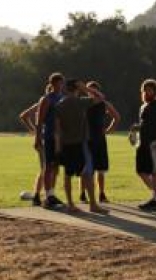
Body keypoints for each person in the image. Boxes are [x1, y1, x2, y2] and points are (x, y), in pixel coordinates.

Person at [53, 79, 107, 213]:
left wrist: (58, 147)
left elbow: (57, 129)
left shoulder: (59, 105)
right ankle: (93, 204)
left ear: (66, 89)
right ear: (77, 89)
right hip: (81, 143)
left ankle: (70, 203)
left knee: (68, 174)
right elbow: (101, 97)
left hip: (66, 144)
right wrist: (87, 89)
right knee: (87, 173)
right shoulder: (80, 102)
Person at [79, 80, 120, 203]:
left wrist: (108, 130)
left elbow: (116, 117)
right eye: (90, 91)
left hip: (99, 139)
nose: (92, 94)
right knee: (86, 168)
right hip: (86, 138)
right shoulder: (84, 103)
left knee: (100, 169)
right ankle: (83, 193)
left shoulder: (104, 104)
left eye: (94, 91)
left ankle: (101, 193)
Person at [134, 79, 156, 211]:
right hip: (142, 144)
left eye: (149, 90)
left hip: (154, 144)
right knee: (141, 171)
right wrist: (136, 128)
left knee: (155, 171)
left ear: (154, 92)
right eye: (144, 90)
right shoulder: (143, 107)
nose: (146, 93)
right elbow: (145, 125)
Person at [34, 72, 66, 209]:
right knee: (48, 167)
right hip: (49, 136)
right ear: (53, 84)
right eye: (59, 83)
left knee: (56, 167)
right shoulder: (46, 99)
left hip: (60, 138)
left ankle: (52, 194)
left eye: (62, 83)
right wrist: (37, 138)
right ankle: (47, 196)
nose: (61, 85)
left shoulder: (63, 98)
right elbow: (39, 120)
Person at [18, 87, 48, 206]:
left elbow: (24, 116)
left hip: (46, 138)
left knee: (46, 169)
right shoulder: (42, 104)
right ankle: (40, 196)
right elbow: (24, 115)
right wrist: (35, 131)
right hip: (44, 140)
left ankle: (42, 195)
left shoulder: (46, 103)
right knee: (46, 169)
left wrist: (35, 131)